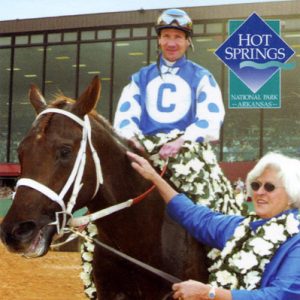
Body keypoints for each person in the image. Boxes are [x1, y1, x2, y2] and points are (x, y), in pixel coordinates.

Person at [114, 8, 244, 215]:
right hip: (145, 152)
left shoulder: (202, 77)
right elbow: (124, 116)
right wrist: (133, 141)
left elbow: (211, 117)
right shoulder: (140, 77)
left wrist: (181, 141)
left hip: (188, 152)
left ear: (187, 42)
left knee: (212, 201)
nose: (171, 43)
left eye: (178, 37)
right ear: (159, 40)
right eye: (166, 36)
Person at [127, 150, 300, 300]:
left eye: (269, 187)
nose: (259, 192)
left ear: (292, 193)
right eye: (256, 185)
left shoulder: (296, 240)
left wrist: (208, 293)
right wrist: (155, 178)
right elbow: (197, 217)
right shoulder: (241, 228)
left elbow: (279, 296)